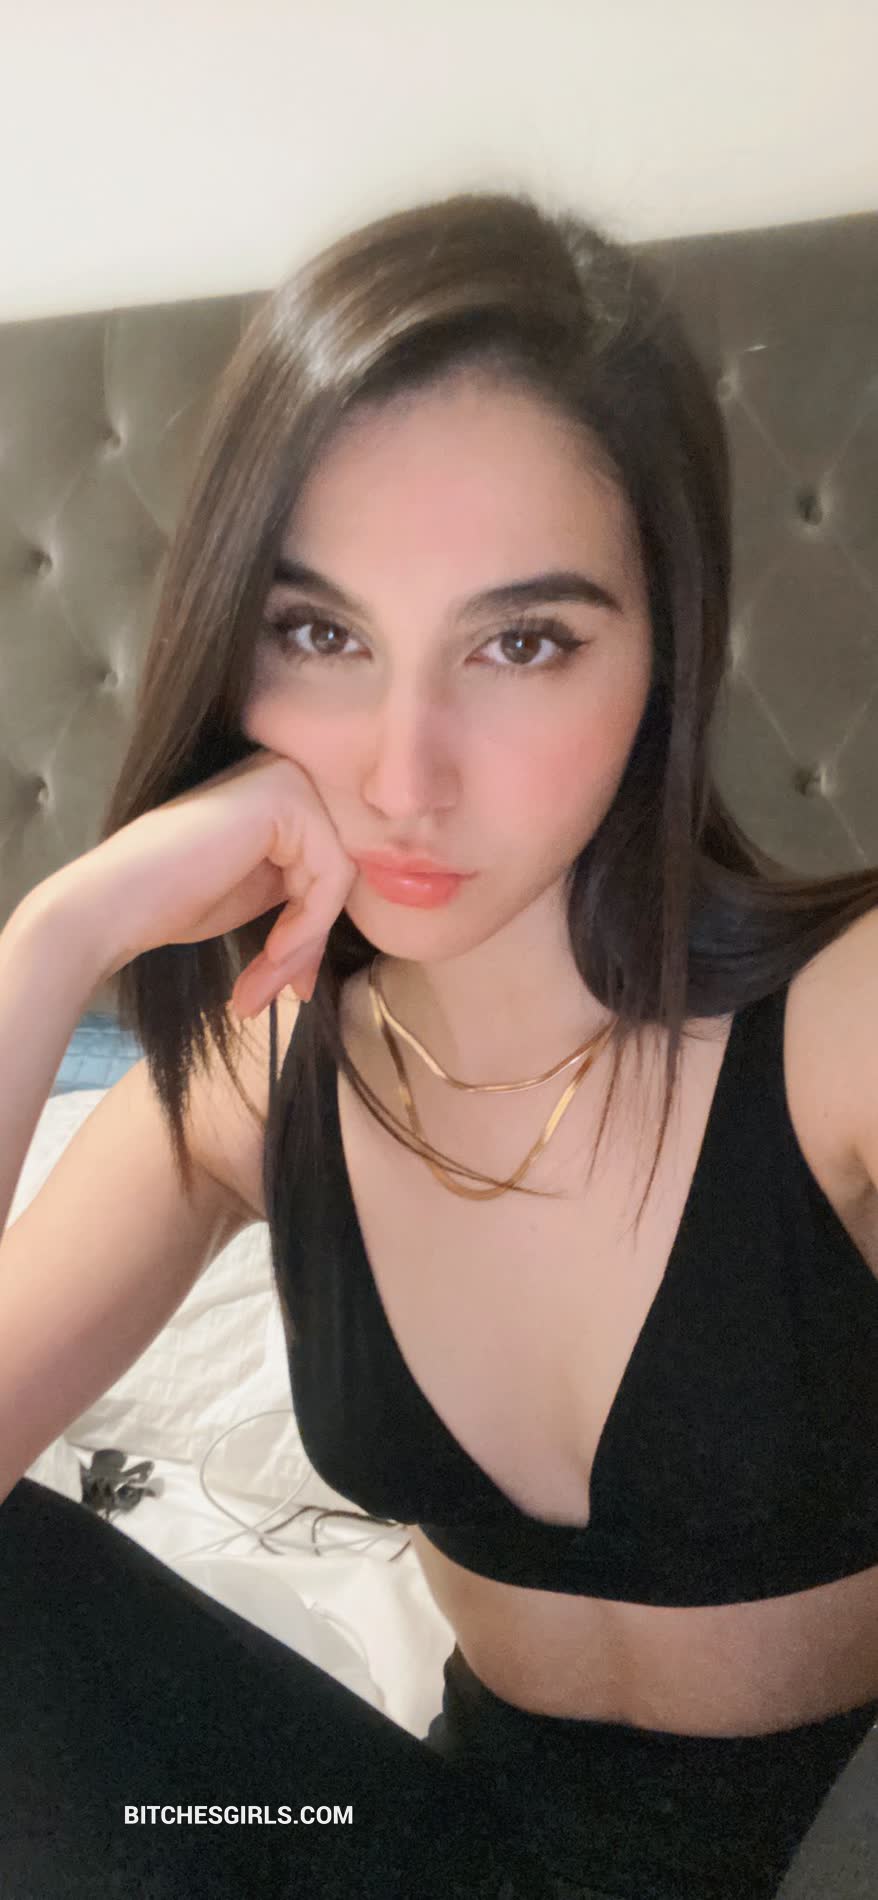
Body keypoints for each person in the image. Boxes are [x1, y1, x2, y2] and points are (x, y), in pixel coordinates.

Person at [0, 188, 876, 1900]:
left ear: (665, 651)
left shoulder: (842, 1029)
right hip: (424, 1857)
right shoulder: (255, 1079)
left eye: (521, 641)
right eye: (321, 634)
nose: (404, 776)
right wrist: (57, 939)